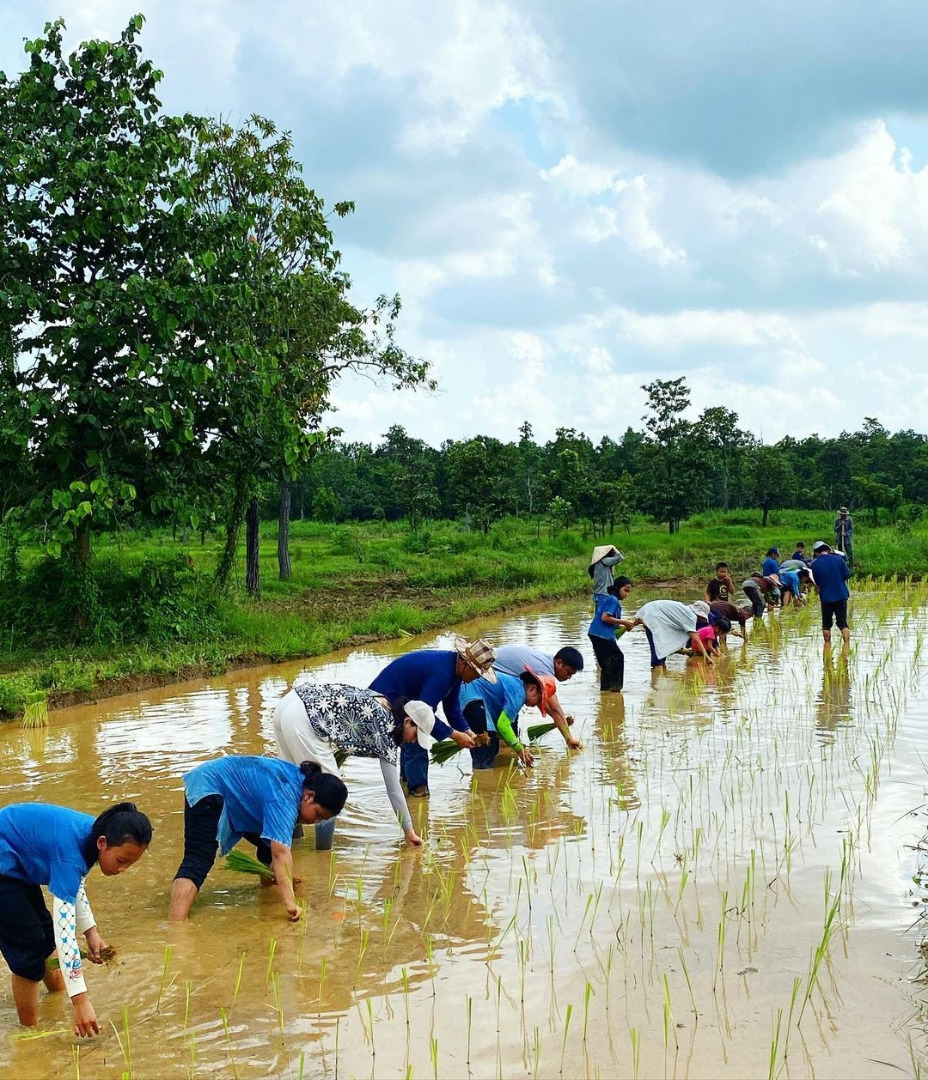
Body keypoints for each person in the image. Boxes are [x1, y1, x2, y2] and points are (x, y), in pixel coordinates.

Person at [0, 801, 151, 1035]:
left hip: (17, 860)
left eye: (131, 864)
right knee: (27, 954)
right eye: (122, 860)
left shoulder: (96, 834)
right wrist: (80, 1001)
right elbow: (66, 936)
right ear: (103, 844)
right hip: (5, 861)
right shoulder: (72, 853)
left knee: (45, 937)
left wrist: (92, 932)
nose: (124, 869)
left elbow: (74, 886)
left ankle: (55, 1002)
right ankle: (30, 1034)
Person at [169, 757, 347, 922]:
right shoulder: (283, 797)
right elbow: (281, 854)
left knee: (267, 845)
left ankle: (266, 890)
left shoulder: (298, 784)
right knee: (198, 860)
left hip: (232, 792)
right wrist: (290, 903)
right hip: (208, 786)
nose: (315, 821)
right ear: (309, 796)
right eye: (318, 814)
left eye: (321, 820)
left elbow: (273, 848)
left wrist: (284, 878)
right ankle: (176, 926)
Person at [274, 685, 452, 848]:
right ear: (407, 721)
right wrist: (409, 831)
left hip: (290, 703)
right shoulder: (387, 733)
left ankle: (290, 843)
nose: (413, 740)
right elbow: (394, 790)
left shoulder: (383, 701)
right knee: (330, 791)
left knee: (294, 780)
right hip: (305, 719)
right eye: (416, 734)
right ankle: (323, 852)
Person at [369, 637, 495, 799]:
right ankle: (418, 795)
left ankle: (408, 785)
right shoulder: (442, 673)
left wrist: (467, 731)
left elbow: (452, 708)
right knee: (417, 739)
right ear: (464, 663)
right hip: (383, 701)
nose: (478, 677)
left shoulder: (454, 672)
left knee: (412, 739)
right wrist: (455, 735)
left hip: (405, 704)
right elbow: (422, 717)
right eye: (477, 673)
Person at [493, 645, 584, 748]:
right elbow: (554, 709)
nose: (569, 677)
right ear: (559, 663)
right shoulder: (544, 671)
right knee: (499, 736)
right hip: (486, 672)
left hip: (493, 673)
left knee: (506, 737)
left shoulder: (546, 661)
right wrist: (569, 739)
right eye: (568, 672)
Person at [458, 669, 552, 769]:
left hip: (467, 697)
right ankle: (483, 780)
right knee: (484, 755)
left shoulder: (515, 684)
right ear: (532, 688)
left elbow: (501, 727)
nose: (535, 705)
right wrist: (520, 750)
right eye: (538, 700)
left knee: (492, 747)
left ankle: (483, 779)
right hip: (473, 699)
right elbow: (503, 725)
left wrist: (520, 746)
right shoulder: (519, 692)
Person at [630, 600, 715, 668]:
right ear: (699, 614)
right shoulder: (691, 616)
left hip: (650, 613)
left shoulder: (685, 611)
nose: (700, 621)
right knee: (658, 652)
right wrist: (707, 658)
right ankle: (656, 676)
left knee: (662, 650)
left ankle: (660, 670)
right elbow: (696, 639)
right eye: (701, 618)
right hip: (652, 617)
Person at [587, 578, 636, 691]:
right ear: (618, 588)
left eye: (628, 591)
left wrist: (627, 625)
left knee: (607, 664)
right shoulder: (613, 600)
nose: (627, 594)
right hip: (601, 635)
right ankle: (615, 690)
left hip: (596, 633)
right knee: (618, 657)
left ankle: (606, 692)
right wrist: (624, 622)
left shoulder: (612, 600)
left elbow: (612, 623)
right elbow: (605, 618)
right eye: (625, 590)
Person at [810, 540, 851, 646]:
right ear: (828, 550)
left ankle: (827, 647)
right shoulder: (839, 559)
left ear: (816, 553)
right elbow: (847, 575)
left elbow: (817, 582)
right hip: (841, 595)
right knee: (843, 623)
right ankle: (846, 646)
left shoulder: (815, 564)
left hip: (826, 598)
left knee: (826, 624)